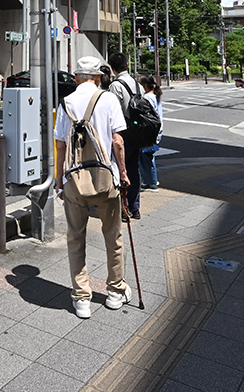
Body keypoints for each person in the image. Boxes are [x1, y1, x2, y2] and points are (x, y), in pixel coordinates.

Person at [54, 55, 130, 319]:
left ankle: (81, 298)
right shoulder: (108, 99)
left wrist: (59, 179)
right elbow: (117, 141)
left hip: (74, 180)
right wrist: (123, 172)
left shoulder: (66, 102)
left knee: (76, 237)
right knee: (113, 236)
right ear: (98, 77)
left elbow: (61, 145)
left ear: (76, 77)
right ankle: (115, 292)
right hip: (105, 178)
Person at [107, 52, 143, 220]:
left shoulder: (116, 86)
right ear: (127, 65)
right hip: (137, 132)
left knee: (120, 169)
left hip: (122, 132)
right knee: (134, 169)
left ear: (112, 68)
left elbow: (113, 111)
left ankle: (123, 208)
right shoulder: (137, 84)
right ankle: (135, 207)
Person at [137, 74, 164, 191]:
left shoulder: (147, 98)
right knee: (148, 157)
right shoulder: (155, 96)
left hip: (149, 132)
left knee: (146, 157)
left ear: (145, 86)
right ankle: (150, 180)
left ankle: (152, 182)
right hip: (156, 130)